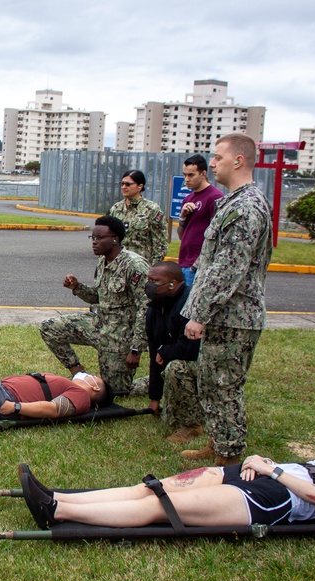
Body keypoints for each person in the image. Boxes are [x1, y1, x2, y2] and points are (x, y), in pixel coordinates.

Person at [181, 134, 273, 465]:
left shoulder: (245, 207)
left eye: (218, 157)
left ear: (238, 161)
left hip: (234, 315)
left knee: (224, 386)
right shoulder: (235, 201)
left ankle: (229, 457)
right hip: (226, 313)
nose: (212, 163)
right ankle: (219, 442)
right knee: (213, 381)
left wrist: (200, 314)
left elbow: (227, 269)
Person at [18, 457, 315, 530]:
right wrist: (261, 462)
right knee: (151, 488)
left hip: (274, 499)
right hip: (259, 475)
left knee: (162, 507)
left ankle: (58, 511)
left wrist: (274, 470)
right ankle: (57, 495)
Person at [39, 215, 149, 395]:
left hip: (121, 335)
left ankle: (159, 379)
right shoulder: (103, 261)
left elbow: (146, 308)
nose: (94, 242)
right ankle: (79, 373)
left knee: (117, 391)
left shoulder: (134, 265)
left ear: (115, 239)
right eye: (93, 237)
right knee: (49, 328)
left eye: (99, 238)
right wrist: (77, 287)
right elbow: (97, 297)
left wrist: (136, 349)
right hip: (100, 323)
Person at [142, 262, 202, 443]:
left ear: (173, 284)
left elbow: (190, 350)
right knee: (166, 416)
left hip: (201, 365)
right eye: (148, 279)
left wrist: (164, 351)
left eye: (155, 280)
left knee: (176, 368)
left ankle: (193, 425)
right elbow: (154, 354)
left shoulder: (190, 304)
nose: (149, 285)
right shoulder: (155, 306)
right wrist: (154, 399)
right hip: (172, 359)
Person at [176, 155, 224, 287]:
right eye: (184, 175)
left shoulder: (215, 197)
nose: (187, 179)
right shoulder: (188, 199)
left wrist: (198, 263)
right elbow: (181, 235)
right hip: (184, 261)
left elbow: (219, 234)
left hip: (200, 264)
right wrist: (183, 216)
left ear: (203, 174)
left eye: (191, 175)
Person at [109, 169, 168, 265]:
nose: (124, 187)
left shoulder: (151, 209)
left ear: (140, 186)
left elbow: (160, 244)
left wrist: (153, 269)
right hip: (118, 265)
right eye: (122, 184)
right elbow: (109, 239)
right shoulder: (116, 209)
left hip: (141, 266)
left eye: (128, 184)